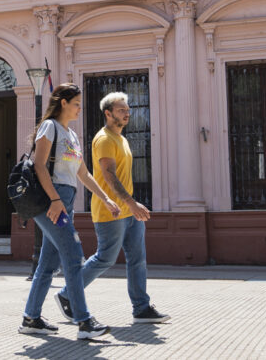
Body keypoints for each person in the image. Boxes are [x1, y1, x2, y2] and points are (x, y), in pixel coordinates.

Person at [54, 92, 170, 325]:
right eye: (121, 110)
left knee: (137, 259)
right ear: (108, 113)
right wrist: (131, 203)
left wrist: (131, 206)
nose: (127, 113)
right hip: (111, 211)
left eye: (127, 110)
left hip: (129, 211)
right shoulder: (104, 139)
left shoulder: (121, 139)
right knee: (105, 258)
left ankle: (141, 308)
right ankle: (67, 294)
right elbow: (109, 176)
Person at [19, 83, 121, 340]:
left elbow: (83, 174)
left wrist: (106, 199)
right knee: (74, 256)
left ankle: (31, 318)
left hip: (65, 200)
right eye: (76, 103)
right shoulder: (50, 127)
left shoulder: (72, 135)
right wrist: (55, 200)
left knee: (48, 263)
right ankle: (84, 321)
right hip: (50, 200)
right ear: (63, 103)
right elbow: (39, 166)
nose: (79, 108)